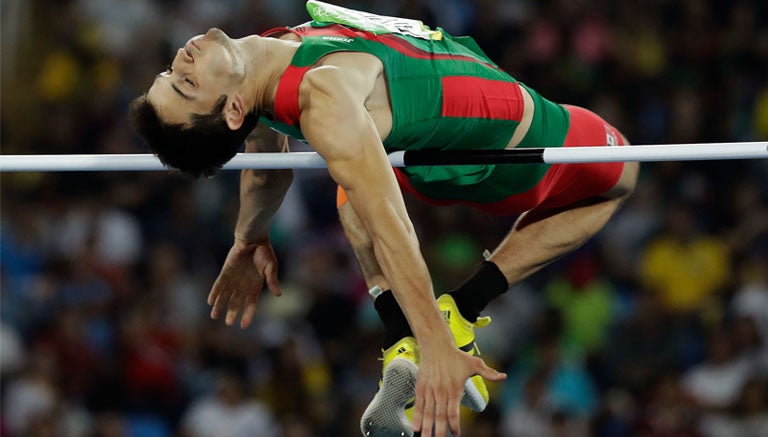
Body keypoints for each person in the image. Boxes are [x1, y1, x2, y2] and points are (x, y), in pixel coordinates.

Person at [128, 1, 638, 435]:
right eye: (187, 82)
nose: (181, 58)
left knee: (356, 171)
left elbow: (265, 170)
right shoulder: (322, 98)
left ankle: (401, 338)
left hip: (420, 134)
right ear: (232, 109)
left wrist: (248, 236)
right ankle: (456, 312)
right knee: (623, 174)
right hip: (511, 149)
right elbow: (392, 222)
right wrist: (437, 347)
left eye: (169, 74)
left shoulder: (265, 61)